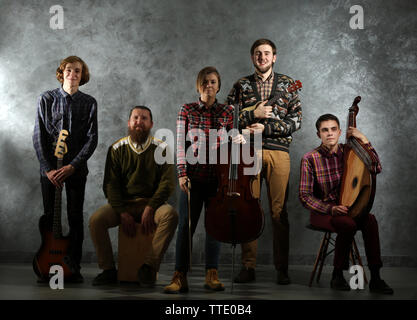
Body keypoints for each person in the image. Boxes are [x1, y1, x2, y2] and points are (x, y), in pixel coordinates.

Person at [226, 39, 302, 285]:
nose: (262, 57)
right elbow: (227, 118)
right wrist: (252, 114)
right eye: (258, 53)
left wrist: (266, 128)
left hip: (279, 153)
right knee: (250, 208)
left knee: (279, 212)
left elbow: (296, 122)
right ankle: (248, 267)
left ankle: (282, 268)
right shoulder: (242, 85)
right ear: (252, 57)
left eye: (267, 53)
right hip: (249, 152)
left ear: (275, 57)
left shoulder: (289, 84)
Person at [299, 113, 393, 294]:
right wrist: (330, 208)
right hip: (323, 212)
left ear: (340, 132)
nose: (330, 134)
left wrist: (364, 140)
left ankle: (376, 277)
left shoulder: (349, 153)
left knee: (370, 220)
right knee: (347, 224)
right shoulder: (310, 159)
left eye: (333, 129)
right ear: (318, 134)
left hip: (349, 208)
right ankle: (337, 275)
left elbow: (376, 168)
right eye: (324, 130)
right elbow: (305, 196)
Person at [164, 66, 235, 294]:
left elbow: (232, 144)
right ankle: (179, 275)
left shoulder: (227, 112)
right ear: (198, 85)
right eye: (205, 82)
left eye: (213, 82)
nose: (209, 85)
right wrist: (182, 173)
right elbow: (179, 145)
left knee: (214, 227)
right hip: (192, 178)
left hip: (217, 179)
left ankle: (211, 274)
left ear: (218, 86)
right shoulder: (187, 110)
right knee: (186, 226)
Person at [89, 106, 178, 286]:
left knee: (171, 215)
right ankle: (108, 270)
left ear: (151, 124)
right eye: (135, 118)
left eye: (144, 118)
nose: (139, 122)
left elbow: (167, 184)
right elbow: (110, 185)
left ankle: (149, 266)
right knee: (96, 220)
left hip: (153, 204)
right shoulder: (116, 148)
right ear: (129, 123)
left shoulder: (162, 148)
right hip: (125, 204)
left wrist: (151, 207)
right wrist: (121, 211)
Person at [33, 56, 98, 283]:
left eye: (78, 71)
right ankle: (50, 264)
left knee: (74, 217)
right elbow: (38, 136)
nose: (73, 74)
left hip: (76, 170)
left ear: (83, 75)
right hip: (50, 172)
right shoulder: (46, 99)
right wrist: (48, 169)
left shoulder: (89, 102)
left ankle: (72, 266)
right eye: (69, 70)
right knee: (51, 218)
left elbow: (92, 139)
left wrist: (72, 166)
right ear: (62, 73)